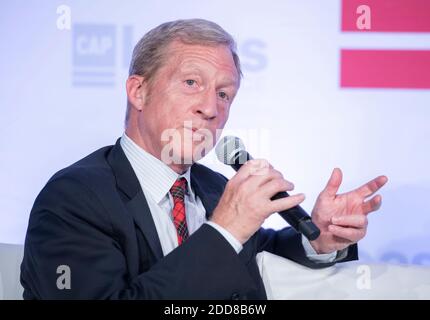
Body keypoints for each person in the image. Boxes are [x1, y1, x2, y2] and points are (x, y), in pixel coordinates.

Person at [20, 19, 388, 300]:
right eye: (191, 83)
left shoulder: (215, 188)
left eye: (224, 94)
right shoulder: (73, 198)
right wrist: (225, 230)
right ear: (139, 91)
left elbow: (264, 254)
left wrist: (319, 240)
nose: (211, 108)